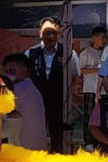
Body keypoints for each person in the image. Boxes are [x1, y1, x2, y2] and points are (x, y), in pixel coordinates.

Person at [25, 17, 80, 153]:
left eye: (54, 33)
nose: (50, 36)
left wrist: (71, 95)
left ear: (59, 34)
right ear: (40, 34)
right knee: (35, 137)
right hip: (35, 103)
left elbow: (77, 77)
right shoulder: (29, 53)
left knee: (58, 139)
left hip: (59, 103)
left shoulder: (68, 53)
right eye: (47, 32)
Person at [2, 53, 47, 151]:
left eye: (12, 71)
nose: (9, 75)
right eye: (6, 71)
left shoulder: (22, 88)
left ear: (25, 70)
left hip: (26, 151)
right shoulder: (29, 88)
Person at [79, 26, 106, 146]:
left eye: (105, 38)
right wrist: (98, 70)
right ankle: (88, 141)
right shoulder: (86, 53)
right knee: (89, 115)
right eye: (102, 37)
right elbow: (82, 70)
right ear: (94, 38)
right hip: (90, 89)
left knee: (103, 117)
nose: (104, 40)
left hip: (105, 90)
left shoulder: (106, 52)